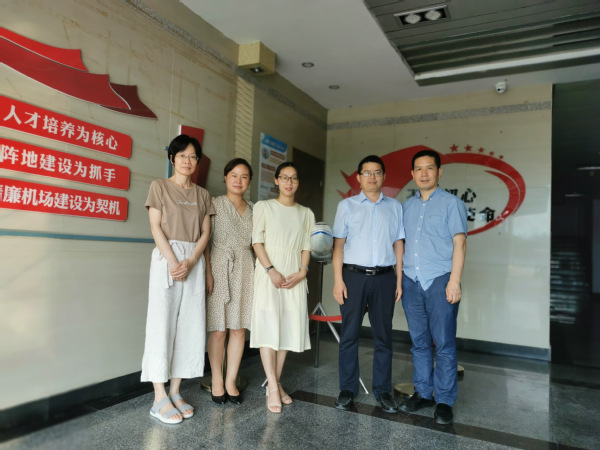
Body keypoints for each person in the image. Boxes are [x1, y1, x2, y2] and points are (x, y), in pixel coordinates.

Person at [141, 134, 215, 424]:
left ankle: (175, 391)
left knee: (190, 327)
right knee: (161, 324)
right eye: (182, 155)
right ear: (172, 158)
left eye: (193, 156)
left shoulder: (203, 195)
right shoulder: (159, 186)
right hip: (167, 258)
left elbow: (205, 233)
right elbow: (155, 227)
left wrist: (193, 261)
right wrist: (173, 262)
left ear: (197, 162)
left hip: (193, 260)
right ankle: (158, 396)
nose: (187, 160)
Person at [399, 149, 467, 425]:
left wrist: (454, 281)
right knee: (419, 343)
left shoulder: (452, 204)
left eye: (429, 168)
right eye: (419, 169)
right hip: (411, 280)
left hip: (440, 279)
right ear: (412, 174)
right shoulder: (406, 206)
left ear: (439, 172)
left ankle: (445, 400)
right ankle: (423, 392)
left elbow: (460, 243)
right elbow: (400, 245)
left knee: (444, 343)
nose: (424, 173)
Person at [332, 155, 405, 414]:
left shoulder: (395, 207)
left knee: (383, 336)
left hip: (385, 278)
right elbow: (338, 246)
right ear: (358, 177)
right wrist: (338, 280)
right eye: (367, 172)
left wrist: (398, 280)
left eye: (377, 172)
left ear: (384, 176)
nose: (372, 177)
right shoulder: (347, 206)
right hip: (353, 277)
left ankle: (383, 391)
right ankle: (347, 389)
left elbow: (398, 244)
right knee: (349, 334)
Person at [250, 162, 315, 413]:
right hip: (269, 272)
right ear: (276, 180)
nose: (289, 182)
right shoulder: (264, 207)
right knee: (268, 327)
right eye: (284, 177)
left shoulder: (306, 213)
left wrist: (303, 271)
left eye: (294, 178)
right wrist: (270, 270)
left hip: (294, 275)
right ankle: (274, 387)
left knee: (287, 328)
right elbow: (257, 241)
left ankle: (273, 384)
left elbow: (307, 246)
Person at [204, 158, 254, 405]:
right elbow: (204, 240)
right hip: (219, 264)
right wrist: (207, 272)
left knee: (239, 328)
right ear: (225, 177)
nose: (238, 180)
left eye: (244, 176)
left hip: (245, 268)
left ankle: (231, 380)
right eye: (234, 175)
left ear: (249, 182)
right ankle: (216, 379)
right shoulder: (213, 203)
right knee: (219, 328)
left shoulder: (255, 209)